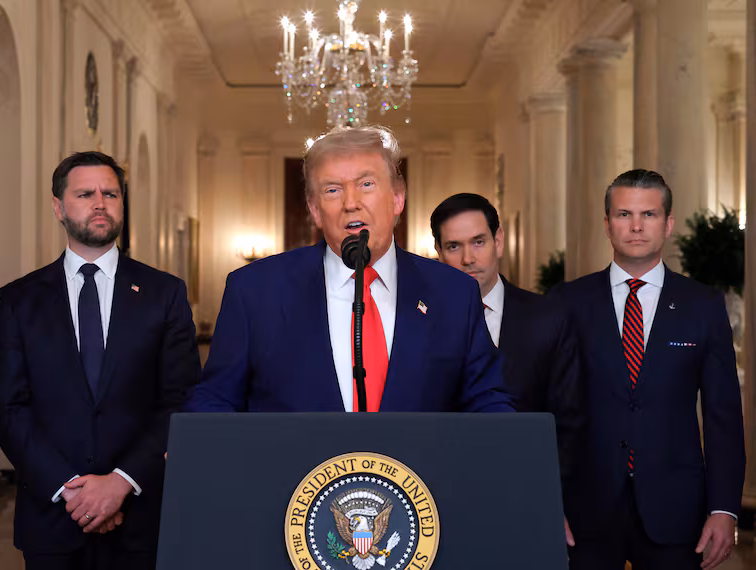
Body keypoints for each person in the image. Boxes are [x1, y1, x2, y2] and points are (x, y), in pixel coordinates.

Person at [186, 126, 512, 413]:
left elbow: (486, 400)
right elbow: (216, 399)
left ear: (397, 199)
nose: (351, 202)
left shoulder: (454, 293)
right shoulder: (254, 291)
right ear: (315, 210)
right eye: (332, 190)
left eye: (366, 184)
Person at [0, 151, 201, 569]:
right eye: (85, 194)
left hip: (141, 519)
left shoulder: (165, 293)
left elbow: (181, 399)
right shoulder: (19, 300)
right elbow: (5, 408)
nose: (100, 203)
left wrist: (119, 483)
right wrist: (71, 490)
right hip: (53, 518)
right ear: (58, 207)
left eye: (111, 194)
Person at [556, 170, 745, 569]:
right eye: (624, 214)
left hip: (677, 509)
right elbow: (547, 409)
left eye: (649, 214)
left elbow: (723, 417)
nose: (636, 226)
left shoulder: (703, 306)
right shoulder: (567, 303)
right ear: (607, 224)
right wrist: (547, 500)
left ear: (668, 224)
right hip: (584, 509)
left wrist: (724, 508)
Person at [430, 192, 583, 545]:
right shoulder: (418, 323)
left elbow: (570, 422)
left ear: (498, 241)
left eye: (478, 242)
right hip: (438, 505)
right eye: (453, 246)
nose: (468, 258)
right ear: (438, 252)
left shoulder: (548, 319)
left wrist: (548, 497)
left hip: (527, 498)